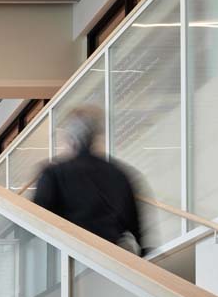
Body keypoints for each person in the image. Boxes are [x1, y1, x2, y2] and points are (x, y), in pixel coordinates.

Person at [32, 106, 144, 255]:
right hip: (113, 255)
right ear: (95, 135)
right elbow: (134, 222)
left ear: (71, 138)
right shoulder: (118, 174)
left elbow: (38, 215)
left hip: (71, 255)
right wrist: (142, 250)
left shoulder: (54, 173)